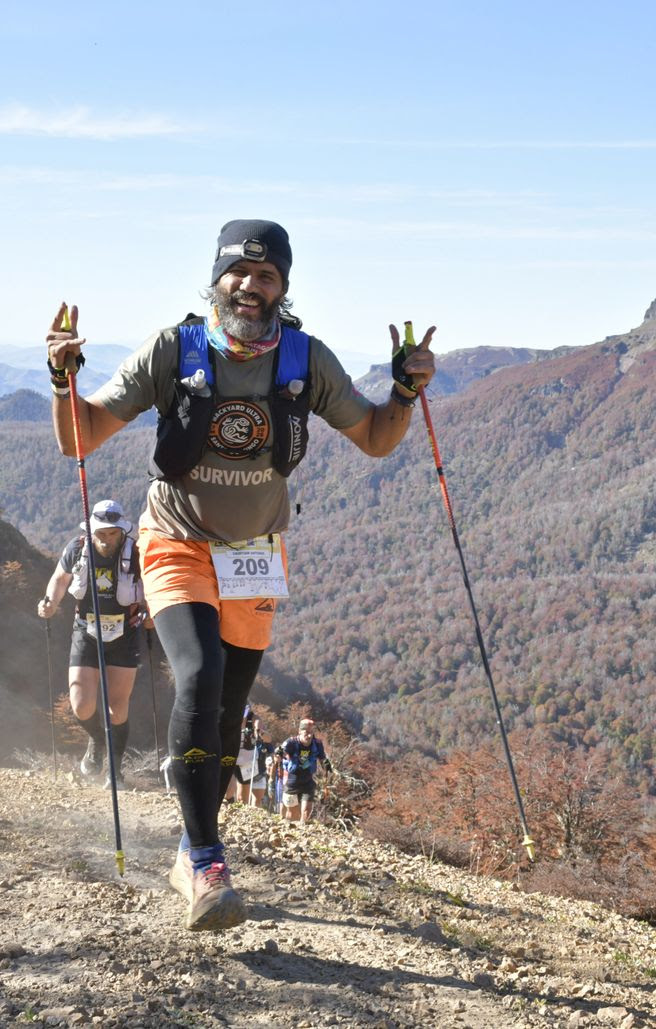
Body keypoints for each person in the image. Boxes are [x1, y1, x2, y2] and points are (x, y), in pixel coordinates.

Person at [45, 217, 435, 932]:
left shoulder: (305, 359)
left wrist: (405, 393)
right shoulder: (175, 349)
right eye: (240, 273)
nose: (251, 286)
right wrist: (61, 379)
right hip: (176, 542)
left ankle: (192, 840)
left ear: (283, 287)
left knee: (228, 708)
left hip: (256, 553)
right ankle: (205, 859)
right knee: (199, 674)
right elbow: (82, 434)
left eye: (267, 276)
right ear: (217, 279)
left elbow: (376, 439)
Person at [37, 499, 147, 789]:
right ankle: (97, 740)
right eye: (101, 533)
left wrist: (152, 615)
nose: (107, 539)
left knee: (117, 707)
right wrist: (50, 603)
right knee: (81, 705)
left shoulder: (137, 552)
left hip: (125, 633)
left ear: (121, 530)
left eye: (113, 533)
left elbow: (151, 585)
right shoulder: (77, 548)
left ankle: (115, 771)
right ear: (92, 530)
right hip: (86, 630)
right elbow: (59, 579)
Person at [281, 719, 332, 824]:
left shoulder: (317, 744)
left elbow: (322, 758)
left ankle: (303, 829)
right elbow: (281, 753)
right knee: (293, 815)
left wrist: (326, 764)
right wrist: (279, 754)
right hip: (292, 781)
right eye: (307, 732)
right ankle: (289, 830)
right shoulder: (291, 742)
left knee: (306, 813)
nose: (309, 736)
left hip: (308, 780)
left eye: (311, 732)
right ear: (300, 731)